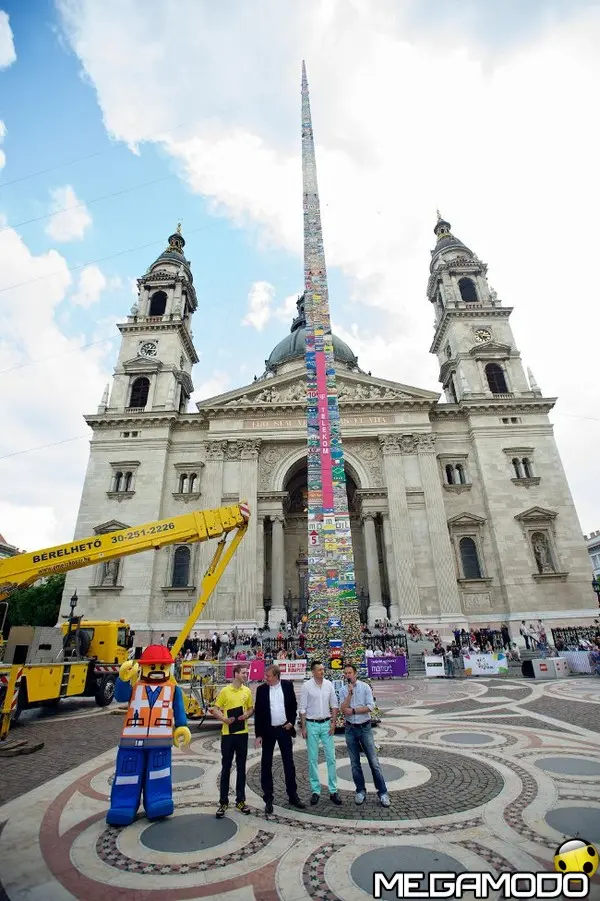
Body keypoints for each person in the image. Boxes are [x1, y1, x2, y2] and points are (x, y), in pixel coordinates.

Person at [106, 644, 191, 826]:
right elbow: (120, 696)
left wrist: (181, 726)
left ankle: (158, 800)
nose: (157, 671)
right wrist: (122, 679)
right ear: (143, 667)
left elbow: (179, 709)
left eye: (161, 667)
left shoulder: (172, 689)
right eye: (152, 667)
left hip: (160, 741)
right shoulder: (135, 687)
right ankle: (123, 805)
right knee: (127, 773)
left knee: (159, 773)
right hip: (132, 741)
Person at [254, 664, 306, 814]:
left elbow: (293, 705)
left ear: (276, 676)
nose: (266, 678)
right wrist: (258, 735)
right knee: (266, 764)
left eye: (268, 676)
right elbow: (259, 714)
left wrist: (291, 721)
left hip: (284, 729)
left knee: (288, 763)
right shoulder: (261, 690)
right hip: (268, 731)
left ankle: (292, 795)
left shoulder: (287, 686)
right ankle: (268, 797)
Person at [338, 663, 390, 807]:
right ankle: (360, 791)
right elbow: (343, 708)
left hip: (364, 727)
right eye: (345, 673)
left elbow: (370, 707)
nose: (347, 675)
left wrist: (354, 711)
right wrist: (349, 694)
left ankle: (383, 792)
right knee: (355, 764)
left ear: (355, 674)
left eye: (350, 673)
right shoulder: (343, 690)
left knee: (374, 762)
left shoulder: (365, 687)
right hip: (350, 729)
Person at [211, 664, 254, 818]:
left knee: (242, 767)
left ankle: (240, 800)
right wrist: (224, 719)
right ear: (236, 674)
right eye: (243, 672)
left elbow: (250, 708)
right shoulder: (225, 691)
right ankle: (223, 801)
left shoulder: (247, 691)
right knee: (226, 767)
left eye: (246, 672)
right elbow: (215, 708)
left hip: (242, 733)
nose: (245, 675)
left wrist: (246, 716)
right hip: (228, 734)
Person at [299, 660, 342, 806]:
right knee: (313, 758)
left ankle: (333, 789)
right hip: (312, 724)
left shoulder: (329, 684)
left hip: (326, 724)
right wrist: (304, 727)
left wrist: (334, 723)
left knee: (331, 757)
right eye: (319, 670)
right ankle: (315, 790)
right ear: (313, 672)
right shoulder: (306, 686)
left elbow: (334, 704)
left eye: (323, 669)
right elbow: (303, 708)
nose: (322, 672)